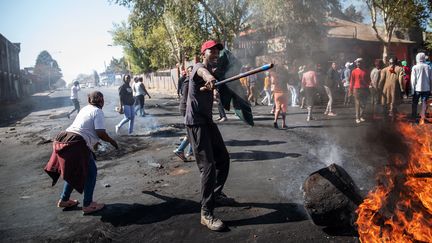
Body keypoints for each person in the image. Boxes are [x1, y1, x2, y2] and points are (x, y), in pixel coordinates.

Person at [185, 40, 234, 231]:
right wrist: (208, 78)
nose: (215, 53)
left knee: (223, 159)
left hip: (207, 121)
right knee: (208, 167)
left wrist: (213, 90)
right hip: (196, 123)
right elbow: (201, 73)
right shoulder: (199, 67)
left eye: (217, 51)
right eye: (211, 50)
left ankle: (215, 193)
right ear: (203, 52)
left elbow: (207, 84)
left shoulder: (212, 73)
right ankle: (206, 213)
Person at [44, 91, 118, 214]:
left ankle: (64, 199)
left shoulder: (85, 109)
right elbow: (100, 132)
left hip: (63, 138)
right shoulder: (98, 111)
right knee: (91, 173)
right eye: (101, 99)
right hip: (75, 142)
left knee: (74, 170)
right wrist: (111, 140)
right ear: (102, 101)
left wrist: (93, 143)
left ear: (89, 100)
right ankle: (88, 204)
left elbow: (85, 128)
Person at [174, 66, 193, 161]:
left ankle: (190, 151)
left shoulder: (191, 81)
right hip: (186, 108)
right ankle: (180, 149)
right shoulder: (187, 82)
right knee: (192, 130)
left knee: (192, 130)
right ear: (188, 73)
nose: (192, 72)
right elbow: (186, 97)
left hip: (188, 108)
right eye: (190, 71)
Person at [411, 52, 432, 124]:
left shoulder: (415, 67)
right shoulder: (428, 67)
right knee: (424, 103)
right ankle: (422, 118)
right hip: (426, 88)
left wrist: (412, 90)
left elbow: (413, 80)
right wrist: (431, 88)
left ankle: (414, 117)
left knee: (415, 103)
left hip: (417, 88)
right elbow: (431, 78)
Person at [349, 58, 370, 123]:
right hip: (356, 89)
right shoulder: (353, 71)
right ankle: (357, 117)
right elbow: (352, 81)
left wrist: (369, 85)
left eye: (360, 62)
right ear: (356, 63)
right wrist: (350, 91)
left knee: (363, 103)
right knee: (357, 103)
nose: (359, 64)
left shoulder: (365, 71)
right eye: (357, 62)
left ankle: (361, 116)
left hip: (364, 89)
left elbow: (368, 80)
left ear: (362, 63)